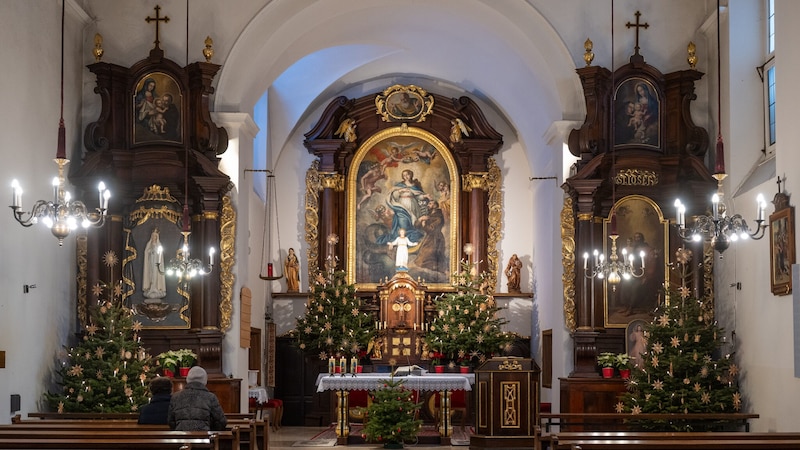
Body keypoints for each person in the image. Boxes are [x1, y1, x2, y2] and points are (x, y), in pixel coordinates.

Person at [168, 366, 228, 431]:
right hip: (203, 438)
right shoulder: (210, 397)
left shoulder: (176, 397)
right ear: (205, 380)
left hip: (181, 438)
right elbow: (221, 421)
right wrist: (210, 430)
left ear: (188, 379)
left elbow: (171, 421)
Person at [142, 228, 167, 300]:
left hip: (157, 264)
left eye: (155, 236)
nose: (154, 237)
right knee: (150, 275)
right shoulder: (149, 244)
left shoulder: (159, 245)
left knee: (156, 275)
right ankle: (151, 288)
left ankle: (156, 288)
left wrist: (156, 252)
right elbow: (146, 252)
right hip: (150, 263)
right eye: (153, 236)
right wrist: (150, 251)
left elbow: (160, 255)